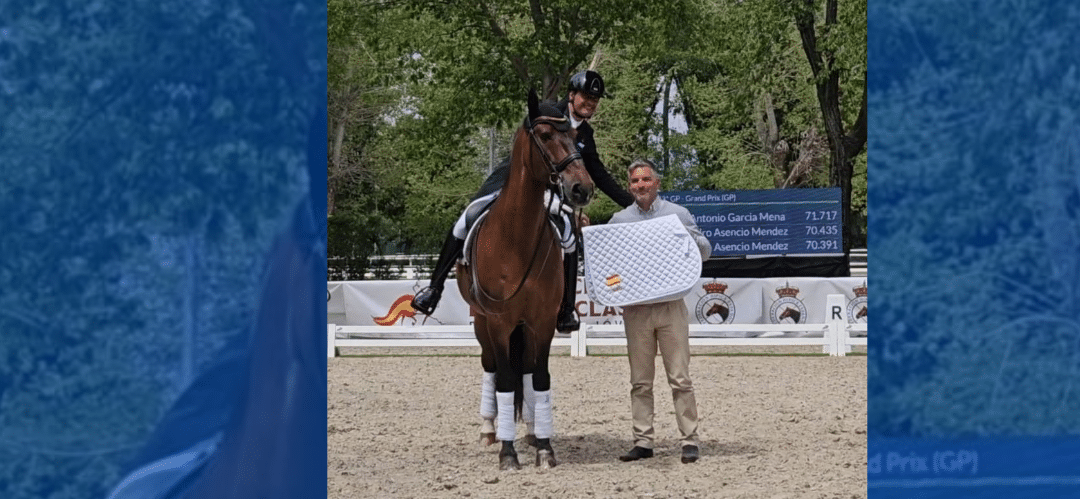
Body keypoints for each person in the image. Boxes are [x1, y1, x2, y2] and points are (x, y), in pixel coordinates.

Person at [411, 70, 634, 332]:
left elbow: (599, 175)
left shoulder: (586, 134)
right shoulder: (549, 113)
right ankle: (434, 289)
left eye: (595, 99)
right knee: (465, 219)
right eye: (586, 97)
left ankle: (567, 309)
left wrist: (632, 204)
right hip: (513, 180)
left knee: (569, 236)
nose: (591, 103)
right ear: (572, 95)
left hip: (551, 192)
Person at [609, 159, 711, 464]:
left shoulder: (678, 214)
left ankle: (689, 439)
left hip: (670, 306)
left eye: (645, 179)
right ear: (630, 186)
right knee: (640, 381)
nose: (640, 185)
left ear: (657, 183)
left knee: (680, 378)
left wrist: (689, 239)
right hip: (637, 309)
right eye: (635, 181)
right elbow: (608, 265)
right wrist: (615, 290)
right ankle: (643, 440)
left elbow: (705, 251)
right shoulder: (619, 220)